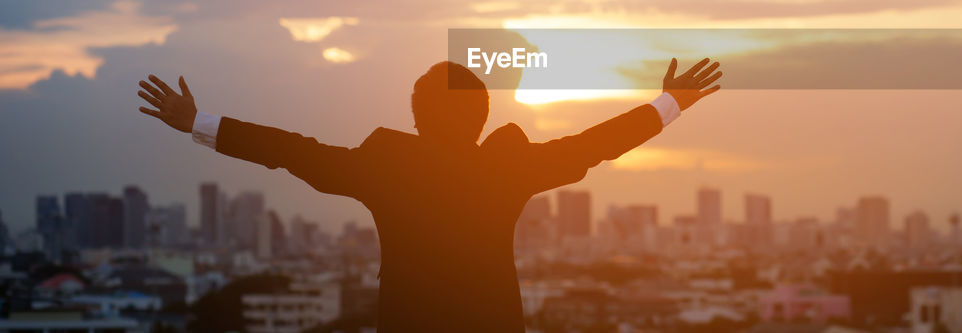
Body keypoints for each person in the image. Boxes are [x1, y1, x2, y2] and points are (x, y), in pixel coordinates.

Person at [136, 58, 722, 331]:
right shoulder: (508, 167)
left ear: (416, 116)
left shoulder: (388, 169)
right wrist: (670, 102)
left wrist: (198, 122)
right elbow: (596, 143)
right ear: (482, 115)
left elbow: (296, 150)